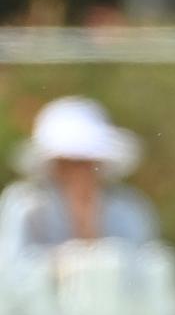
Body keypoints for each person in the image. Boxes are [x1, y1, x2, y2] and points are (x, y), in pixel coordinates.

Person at [0, 96, 157, 268]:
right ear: (53, 166)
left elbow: (144, 268)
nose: (79, 173)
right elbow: (12, 270)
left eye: (86, 162)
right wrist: (57, 265)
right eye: (69, 163)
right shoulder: (25, 206)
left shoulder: (129, 209)